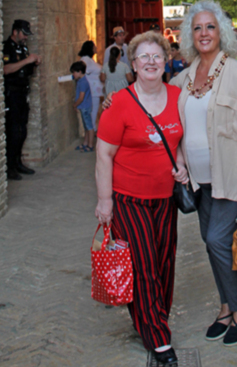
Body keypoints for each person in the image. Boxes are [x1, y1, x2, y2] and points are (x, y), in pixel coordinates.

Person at [171, 0, 237, 348]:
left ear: (221, 31)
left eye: (210, 27)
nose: (203, 33)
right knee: (212, 246)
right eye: (197, 28)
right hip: (200, 182)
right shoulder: (183, 78)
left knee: (217, 240)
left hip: (232, 179)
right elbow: (155, 105)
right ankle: (226, 308)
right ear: (189, 35)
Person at [95, 32, 187, 367]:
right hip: (128, 199)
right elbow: (104, 155)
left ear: (166, 62)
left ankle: (147, 318)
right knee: (145, 265)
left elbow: (182, 142)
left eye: (156, 56)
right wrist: (105, 202)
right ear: (133, 64)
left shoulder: (179, 96)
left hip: (165, 198)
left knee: (165, 263)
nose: (150, 62)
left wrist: (183, 167)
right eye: (143, 57)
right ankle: (159, 339)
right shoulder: (119, 103)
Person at [2, 19, 41, 181]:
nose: (25, 37)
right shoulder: (6, 47)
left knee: (22, 130)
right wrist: (27, 60)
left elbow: (26, 69)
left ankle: (18, 162)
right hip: (11, 95)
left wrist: (35, 63)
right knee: (13, 131)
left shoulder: (22, 47)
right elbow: (5, 69)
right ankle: (9, 166)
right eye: (24, 34)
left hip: (22, 93)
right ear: (15, 31)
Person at [78, 40, 103, 131]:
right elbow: (84, 71)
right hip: (92, 91)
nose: (96, 48)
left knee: (94, 112)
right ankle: (91, 133)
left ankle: (93, 131)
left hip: (95, 91)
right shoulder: (85, 60)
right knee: (92, 113)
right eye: (94, 46)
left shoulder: (90, 60)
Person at [71, 61, 94, 152]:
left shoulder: (83, 82)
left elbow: (81, 97)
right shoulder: (81, 81)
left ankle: (90, 145)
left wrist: (75, 105)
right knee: (86, 127)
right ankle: (85, 143)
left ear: (79, 72)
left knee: (89, 126)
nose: (73, 74)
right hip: (84, 106)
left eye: (74, 72)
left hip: (85, 107)